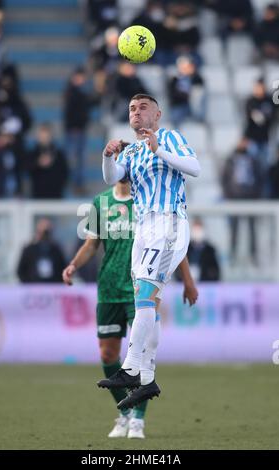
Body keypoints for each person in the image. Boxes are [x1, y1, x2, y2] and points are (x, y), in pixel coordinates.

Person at [63, 142, 198, 439]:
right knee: (108, 352)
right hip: (109, 287)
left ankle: (138, 418)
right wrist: (73, 265)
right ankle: (124, 411)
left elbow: (172, 244)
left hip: (138, 287)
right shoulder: (100, 202)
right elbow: (91, 243)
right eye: (123, 158)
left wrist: (187, 280)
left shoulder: (147, 200)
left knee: (143, 352)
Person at [98, 93, 200, 409]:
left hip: (168, 221)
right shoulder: (134, 150)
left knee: (144, 293)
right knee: (148, 302)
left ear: (157, 114)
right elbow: (112, 177)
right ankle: (147, 377)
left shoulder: (170, 137)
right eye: (132, 108)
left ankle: (130, 367)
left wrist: (161, 150)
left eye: (143, 107)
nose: (137, 112)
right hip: (143, 228)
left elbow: (194, 168)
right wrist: (107, 156)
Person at [17, 218, 66, 283]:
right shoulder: (29, 250)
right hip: (33, 287)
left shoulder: (56, 250)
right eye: (42, 232)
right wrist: (28, 285)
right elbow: (21, 271)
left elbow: (63, 269)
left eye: (46, 232)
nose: (44, 236)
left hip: (53, 287)